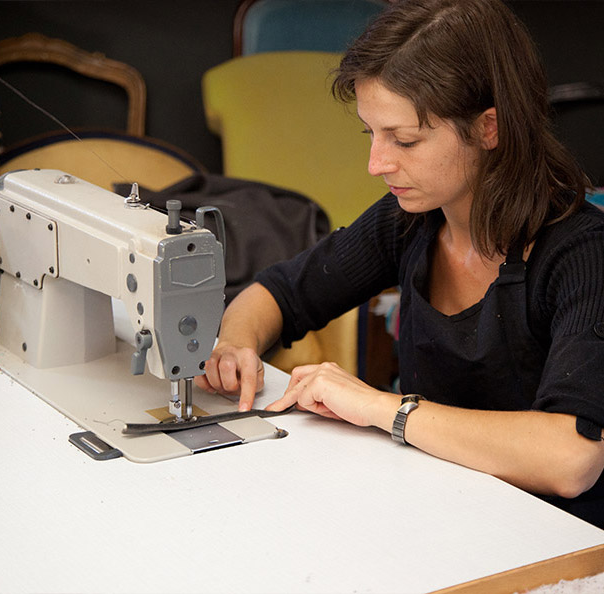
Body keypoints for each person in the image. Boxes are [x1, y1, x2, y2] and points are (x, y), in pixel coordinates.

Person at [196, 0, 604, 528]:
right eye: (372, 134)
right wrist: (236, 344)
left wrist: (385, 408)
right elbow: (280, 293)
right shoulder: (411, 219)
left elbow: (572, 458)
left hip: (554, 541)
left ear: (489, 128)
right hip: (441, 514)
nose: (376, 164)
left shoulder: (582, 255)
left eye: (405, 140)